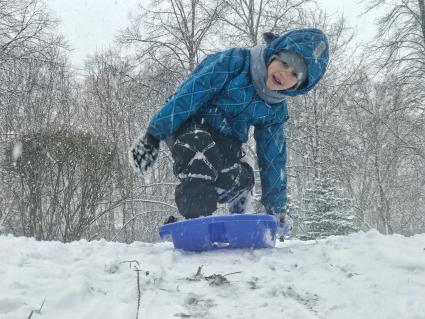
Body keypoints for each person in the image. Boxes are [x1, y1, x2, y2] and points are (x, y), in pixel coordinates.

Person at [130, 28, 329, 223]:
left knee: (238, 177)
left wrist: (276, 208)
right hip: (190, 126)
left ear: (298, 86)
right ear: (274, 54)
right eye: (285, 63)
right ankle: (195, 219)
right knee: (201, 156)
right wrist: (153, 135)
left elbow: (273, 158)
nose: (285, 73)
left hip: (227, 142)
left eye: (294, 74)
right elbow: (189, 95)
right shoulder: (236, 62)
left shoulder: (275, 108)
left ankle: (239, 196)